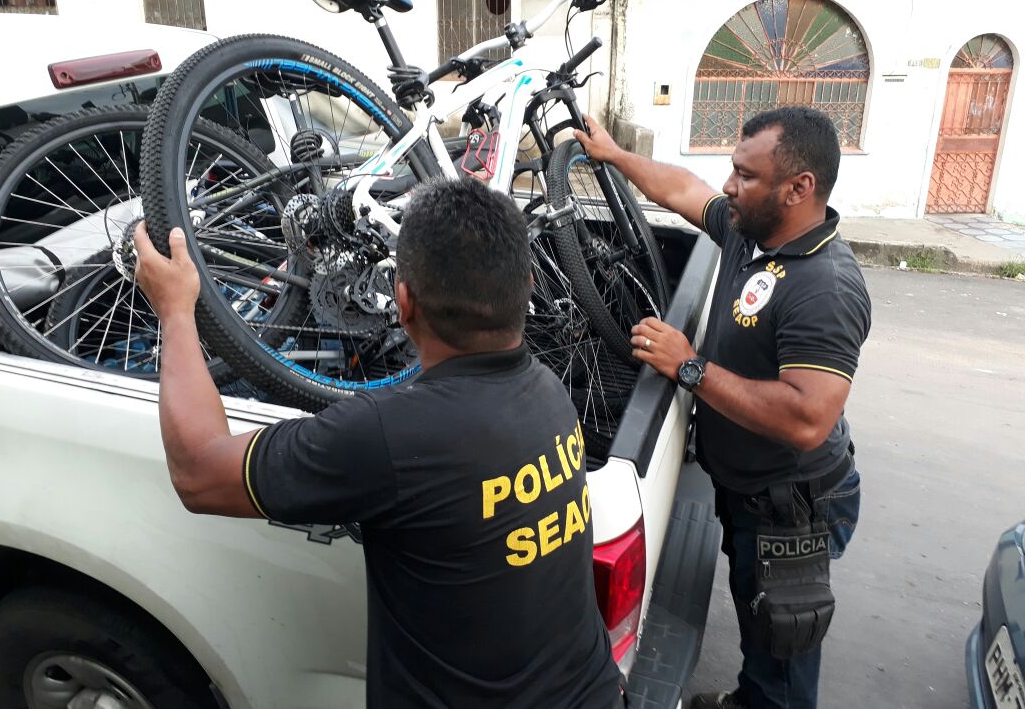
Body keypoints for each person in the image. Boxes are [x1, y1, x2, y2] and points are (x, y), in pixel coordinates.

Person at [132, 177, 623, 708]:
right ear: (525, 285)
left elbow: (198, 472)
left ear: (402, 303)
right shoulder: (550, 392)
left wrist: (175, 311)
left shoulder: (389, 435)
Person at [575, 106, 870, 709]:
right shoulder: (750, 230)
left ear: (798, 188)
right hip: (749, 491)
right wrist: (614, 155)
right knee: (759, 618)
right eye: (734, 170)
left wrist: (689, 367)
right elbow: (685, 190)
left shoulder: (826, 287)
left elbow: (807, 418)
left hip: (791, 507)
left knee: (784, 645)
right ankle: (750, 696)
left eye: (746, 175)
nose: (729, 186)